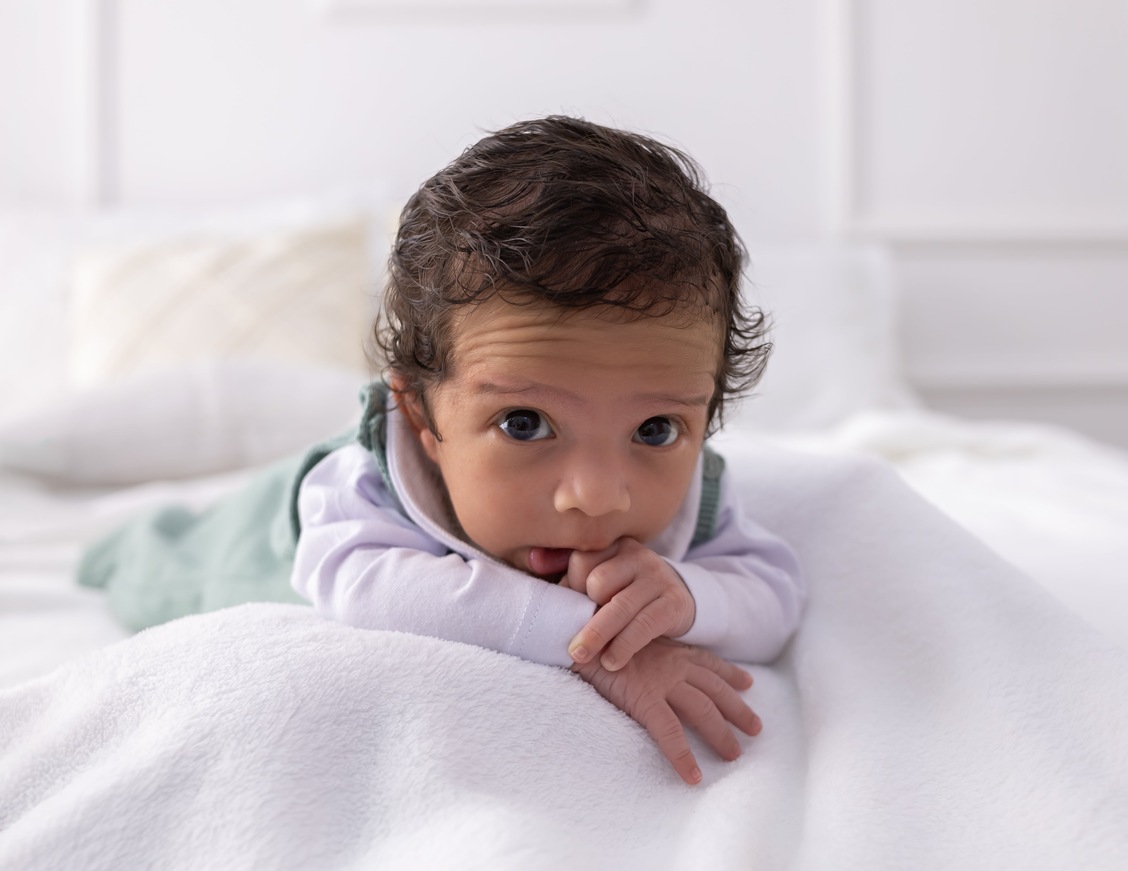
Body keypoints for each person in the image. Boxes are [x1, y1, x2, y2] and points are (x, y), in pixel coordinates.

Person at [289, 116, 804, 785]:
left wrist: (688, 596)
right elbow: (362, 587)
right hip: (236, 542)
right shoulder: (363, 481)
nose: (594, 494)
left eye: (654, 430)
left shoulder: (697, 495)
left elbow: (775, 594)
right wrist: (595, 642)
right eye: (525, 423)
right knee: (158, 558)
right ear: (421, 412)